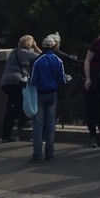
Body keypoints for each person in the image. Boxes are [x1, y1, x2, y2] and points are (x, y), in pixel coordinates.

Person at [29, 34, 69, 162]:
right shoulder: (58, 61)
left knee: (38, 125)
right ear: (53, 46)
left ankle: (36, 154)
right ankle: (50, 153)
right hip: (53, 94)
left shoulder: (37, 61)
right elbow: (62, 80)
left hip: (40, 94)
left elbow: (32, 80)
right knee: (51, 124)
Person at [0, 35, 41, 142]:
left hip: (5, 82)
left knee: (11, 107)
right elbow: (43, 57)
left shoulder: (14, 51)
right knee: (21, 103)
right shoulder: (27, 53)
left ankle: (6, 134)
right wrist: (35, 47)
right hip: (17, 81)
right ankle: (21, 124)